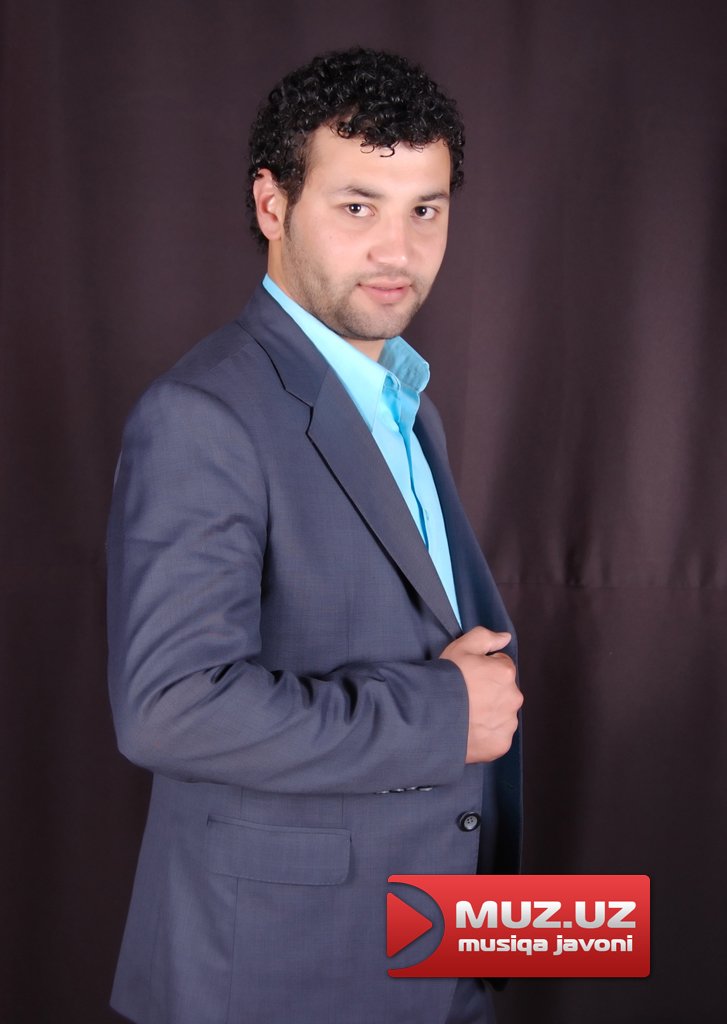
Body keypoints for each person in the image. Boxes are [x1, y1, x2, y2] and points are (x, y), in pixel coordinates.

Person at [107, 47, 523, 1024]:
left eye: (424, 210)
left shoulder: (405, 400)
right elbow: (168, 708)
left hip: (435, 945)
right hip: (281, 970)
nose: (397, 250)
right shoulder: (202, 415)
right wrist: (441, 715)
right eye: (357, 206)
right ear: (272, 204)